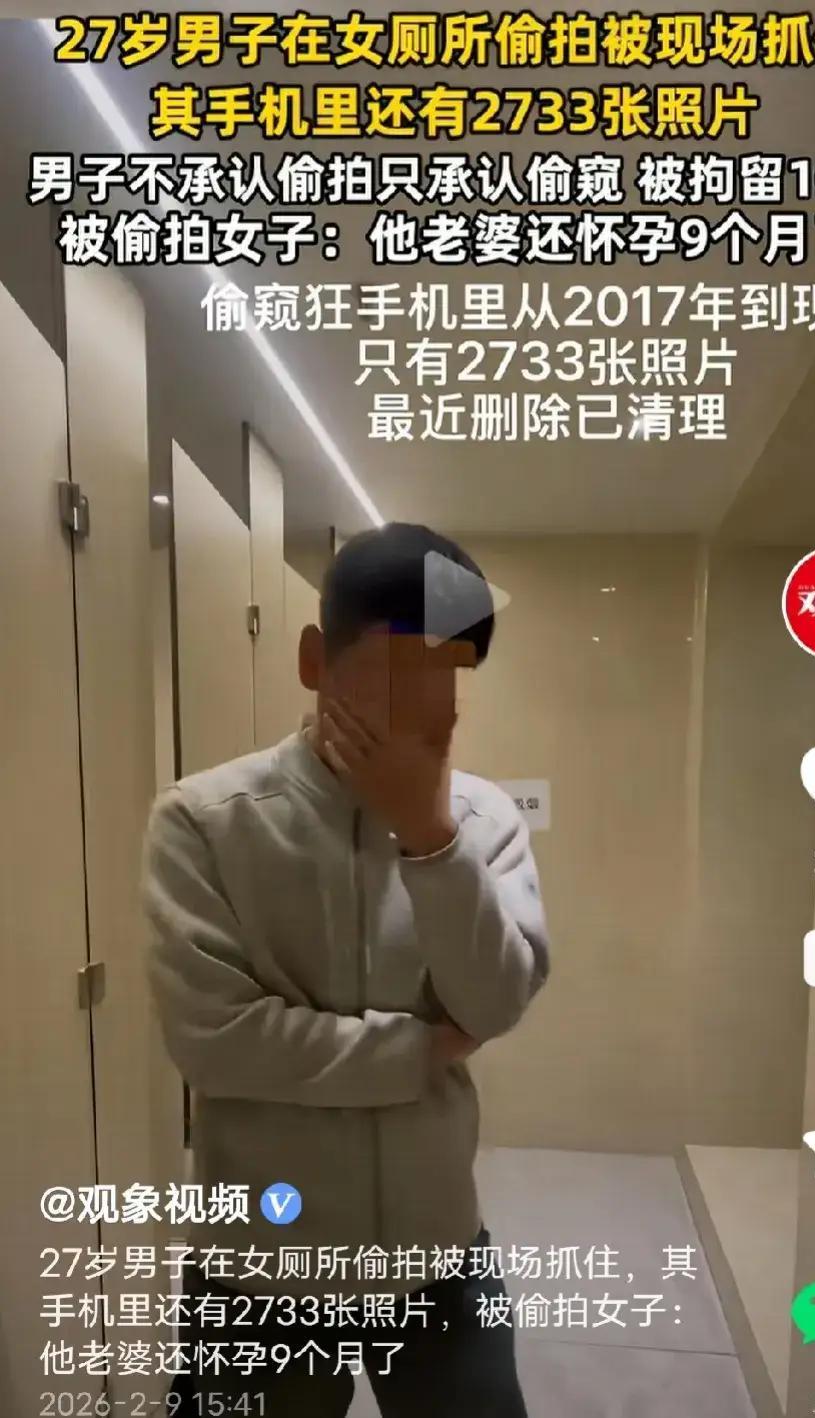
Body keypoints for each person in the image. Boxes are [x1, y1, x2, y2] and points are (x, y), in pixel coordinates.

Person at [142, 522, 550, 1417]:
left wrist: (431, 838)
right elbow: (215, 1042)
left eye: (448, 673)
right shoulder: (205, 819)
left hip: (438, 1251)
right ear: (313, 660)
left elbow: (494, 1004)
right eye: (398, 669)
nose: (429, 702)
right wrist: (421, 1050)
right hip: (262, 1265)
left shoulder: (483, 821)